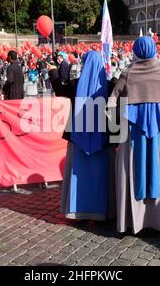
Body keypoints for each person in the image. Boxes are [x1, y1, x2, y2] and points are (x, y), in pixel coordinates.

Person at [109, 36, 160, 233]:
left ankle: (134, 220)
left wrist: (122, 119)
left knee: (132, 169)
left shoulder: (128, 72)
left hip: (132, 130)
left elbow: (112, 103)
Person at [48, 51, 116, 221]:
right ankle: (102, 212)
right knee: (102, 176)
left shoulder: (75, 85)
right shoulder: (108, 86)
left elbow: (58, 89)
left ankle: (79, 211)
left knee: (78, 174)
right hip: (103, 138)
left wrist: (53, 72)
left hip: (77, 138)